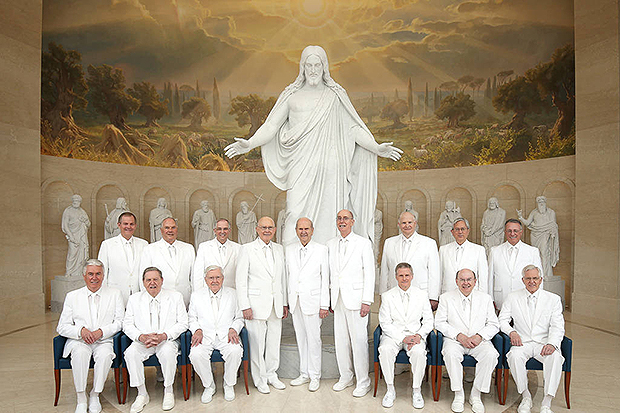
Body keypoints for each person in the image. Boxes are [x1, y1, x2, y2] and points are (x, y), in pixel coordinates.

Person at [225, 45, 402, 245]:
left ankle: (328, 257)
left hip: (331, 168)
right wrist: (250, 143)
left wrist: (376, 147)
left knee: (330, 215)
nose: (313, 70)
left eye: (317, 65)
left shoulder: (335, 96)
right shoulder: (292, 96)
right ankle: (292, 258)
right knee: (294, 212)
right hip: (300, 165)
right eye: (309, 65)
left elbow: (353, 129)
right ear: (302, 67)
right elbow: (271, 125)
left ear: (324, 67)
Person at [57, 258, 124, 413]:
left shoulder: (115, 294)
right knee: (80, 354)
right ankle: (81, 398)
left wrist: (102, 331)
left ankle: (95, 394)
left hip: (104, 340)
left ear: (103, 276)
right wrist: (80, 331)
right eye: (91, 274)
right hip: (80, 341)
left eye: (98, 274)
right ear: (84, 276)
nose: (94, 277)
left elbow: (120, 322)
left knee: (106, 356)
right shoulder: (72, 296)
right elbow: (62, 327)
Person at [499, 265, 565, 413]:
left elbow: (557, 326)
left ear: (540, 280)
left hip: (544, 342)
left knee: (555, 357)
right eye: (528, 278)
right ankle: (526, 396)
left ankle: (547, 402)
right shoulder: (512, 297)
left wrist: (552, 344)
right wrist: (512, 332)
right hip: (522, 342)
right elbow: (502, 320)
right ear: (523, 280)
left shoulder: (553, 299)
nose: (532, 281)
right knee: (514, 356)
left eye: (535, 278)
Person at [123, 267, 188, 413]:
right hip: (143, 341)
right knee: (131, 353)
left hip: (166, 340)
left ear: (162, 280)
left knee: (168, 353)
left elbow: (183, 323)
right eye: (148, 280)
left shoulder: (175, 296)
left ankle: (169, 391)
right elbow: (127, 324)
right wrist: (141, 337)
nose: (152, 283)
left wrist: (164, 336)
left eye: (155, 279)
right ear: (143, 282)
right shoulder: (134, 299)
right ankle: (142, 393)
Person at [435, 269, 499, 413]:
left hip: (479, 341)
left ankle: (476, 395)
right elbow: (439, 322)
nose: (466, 283)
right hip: (455, 340)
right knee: (450, 353)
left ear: (475, 282)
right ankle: (458, 394)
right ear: (456, 281)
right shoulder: (445, 298)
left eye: (469, 279)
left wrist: (479, 336)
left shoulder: (486, 298)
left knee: (491, 355)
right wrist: (459, 336)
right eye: (462, 280)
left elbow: (494, 324)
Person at [235, 216, 288, 393]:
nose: (267, 230)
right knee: (257, 345)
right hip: (255, 305)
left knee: (274, 342)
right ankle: (260, 379)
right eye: (263, 227)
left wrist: (284, 303)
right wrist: (245, 306)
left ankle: (272, 374)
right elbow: (240, 280)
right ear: (257, 229)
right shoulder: (247, 249)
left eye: (270, 227)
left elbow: (282, 278)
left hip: (275, 304)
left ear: (274, 230)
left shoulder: (279, 249)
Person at [327, 209, 374, 397]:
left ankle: (363, 381)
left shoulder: (363, 243)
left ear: (352, 221)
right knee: (341, 341)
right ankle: (345, 376)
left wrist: (367, 300)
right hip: (338, 299)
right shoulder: (330, 244)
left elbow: (369, 273)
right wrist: (329, 298)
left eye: (345, 218)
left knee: (359, 342)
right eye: (339, 218)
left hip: (357, 300)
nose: (342, 221)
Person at [378, 262, 434, 409]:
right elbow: (385, 323)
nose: (404, 278)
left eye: (407, 275)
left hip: (415, 335)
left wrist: (419, 335)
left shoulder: (422, 295)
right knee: (385, 350)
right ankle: (390, 390)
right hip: (393, 335)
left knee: (419, 353)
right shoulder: (387, 296)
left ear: (412, 276)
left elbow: (429, 321)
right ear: (396, 277)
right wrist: (402, 338)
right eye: (401, 275)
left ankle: (416, 391)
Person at [285, 217, 329, 392]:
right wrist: (287, 301)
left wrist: (324, 304)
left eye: (306, 229)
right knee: (301, 338)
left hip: (313, 301)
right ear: (296, 230)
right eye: (300, 229)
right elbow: (287, 276)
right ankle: (304, 373)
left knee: (314, 339)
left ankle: (315, 375)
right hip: (296, 301)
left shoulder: (321, 250)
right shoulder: (289, 249)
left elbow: (325, 278)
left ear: (312, 230)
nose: (303, 232)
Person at [188, 265, 244, 403]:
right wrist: (197, 330)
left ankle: (229, 384)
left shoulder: (233, 294)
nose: (214, 281)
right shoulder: (196, 296)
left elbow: (239, 317)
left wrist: (234, 329)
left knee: (235, 351)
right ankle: (209, 386)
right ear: (205, 280)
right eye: (211, 278)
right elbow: (191, 318)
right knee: (195, 354)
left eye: (218, 277)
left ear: (223, 278)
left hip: (227, 335)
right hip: (205, 336)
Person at [380, 211, 440, 310]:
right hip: (394, 294)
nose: (407, 225)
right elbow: (384, 271)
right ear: (399, 225)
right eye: (404, 223)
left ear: (415, 223)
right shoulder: (389, 242)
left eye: (410, 222)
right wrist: (383, 294)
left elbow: (434, 273)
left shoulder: (429, 243)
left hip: (420, 294)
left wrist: (433, 297)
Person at [140, 217, 195, 306]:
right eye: (167, 228)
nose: (170, 230)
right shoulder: (150, 249)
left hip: (185, 299)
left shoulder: (188, 248)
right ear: (161, 230)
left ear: (177, 230)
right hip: (160, 300)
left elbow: (194, 277)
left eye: (173, 227)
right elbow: (144, 277)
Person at [488, 219, 543, 308]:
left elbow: (539, 277)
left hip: (524, 299)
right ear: (505, 232)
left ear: (521, 232)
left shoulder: (532, 251)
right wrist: (490, 299)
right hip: (501, 299)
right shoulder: (494, 251)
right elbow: (489, 278)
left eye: (515, 231)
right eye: (509, 231)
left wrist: (538, 299)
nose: (512, 234)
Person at [98, 212, 148, 304]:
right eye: (125, 224)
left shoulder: (144, 244)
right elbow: (102, 271)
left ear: (135, 226)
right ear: (119, 225)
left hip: (138, 295)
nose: (128, 227)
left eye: (131, 224)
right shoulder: (107, 245)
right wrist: (104, 295)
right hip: (115, 294)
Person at [439, 218, 488, 294]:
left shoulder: (478, 250)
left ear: (468, 231)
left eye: (463, 229)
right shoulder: (443, 250)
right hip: (448, 293)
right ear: (452, 232)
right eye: (457, 229)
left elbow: (483, 276)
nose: (460, 232)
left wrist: (482, 296)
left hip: (471, 294)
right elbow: (439, 275)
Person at [518, 196, 560, 278]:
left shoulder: (551, 212)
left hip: (545, 234)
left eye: (542, 202)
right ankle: (536, 274)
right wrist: (521, 217)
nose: (541, 204)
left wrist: (553, 233)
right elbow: (527, 223)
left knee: (544, 253)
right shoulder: (534, 212)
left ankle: (545, 274)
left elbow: (553, 225)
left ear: (545, 203)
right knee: (535, 254)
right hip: (535, 235)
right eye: (539, 202)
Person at [193, 218, 241, 291]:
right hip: (209, 291)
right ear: (214, 231)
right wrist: (198, 293)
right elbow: (198, 274)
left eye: (225, 229)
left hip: (231, 291)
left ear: (229, 231)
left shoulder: (238, 248)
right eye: (219, 229)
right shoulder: (204, 247)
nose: (222, 232)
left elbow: (241, 274)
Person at [62, 194, 91, 277]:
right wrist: (71, 236)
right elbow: (65, 225)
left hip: (82, 236)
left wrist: (85, 221)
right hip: (73, 235)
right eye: (75, 201)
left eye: (78, 201)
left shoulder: (82, 211)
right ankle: (69, 272)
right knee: (72, 253)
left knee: (82, 254)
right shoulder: (68, 211)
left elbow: (88, 223)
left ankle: (80, 272)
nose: (76, 203)